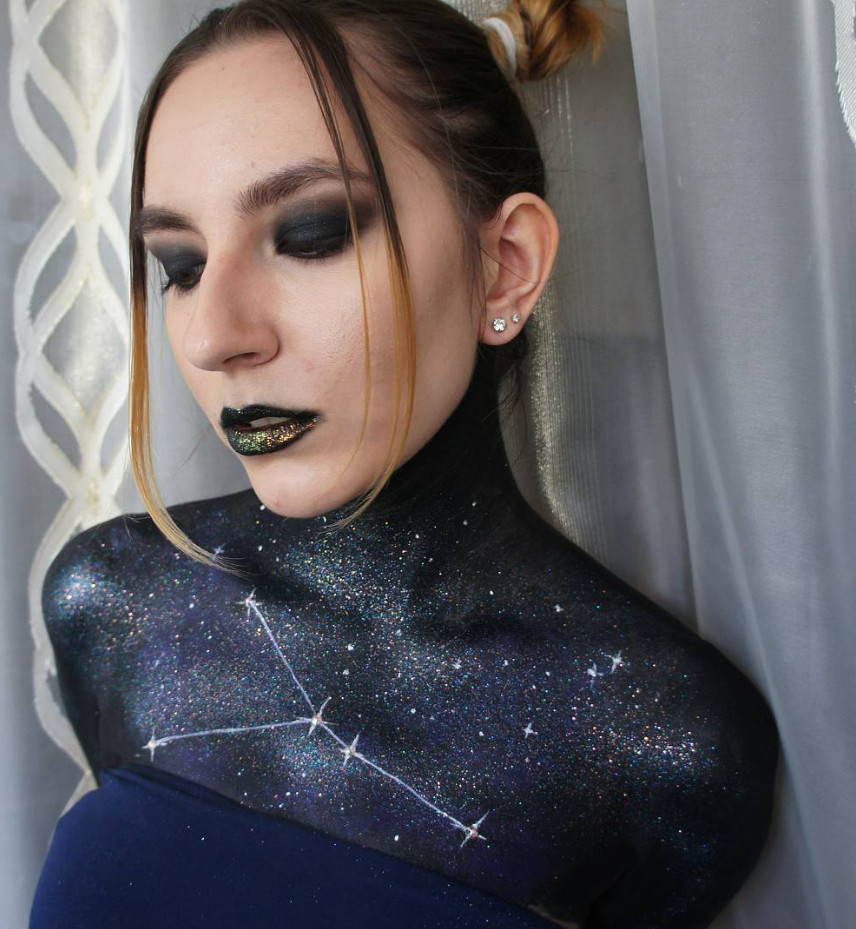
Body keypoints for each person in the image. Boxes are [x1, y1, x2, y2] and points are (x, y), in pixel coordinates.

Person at [29, 1, 779, 927]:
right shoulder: (113, 604)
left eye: (311, 233)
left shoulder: (658, 743)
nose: (214, 335)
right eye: (180, 265)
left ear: (505, 264)